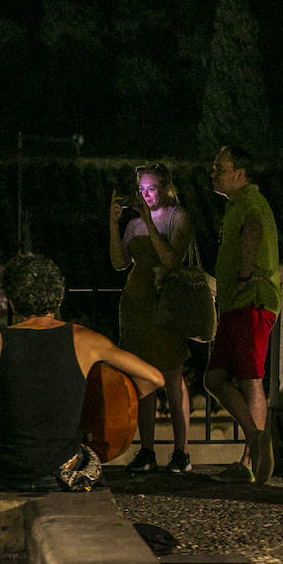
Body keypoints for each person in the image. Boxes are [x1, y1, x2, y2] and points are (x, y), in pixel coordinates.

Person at [0, 253, 164, 492]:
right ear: (60, 297)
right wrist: (108, 403)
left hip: (6, 474)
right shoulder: (86, 341)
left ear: (12, 300)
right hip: (61, 472)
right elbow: (154, 378)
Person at [109, 162, 194, 474]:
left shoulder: (178, 217)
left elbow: (172, 259)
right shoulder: (134, 224)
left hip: (166, 304)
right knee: (143, 377)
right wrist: (115, 222)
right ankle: (146, 450)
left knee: (172, 375)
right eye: (141, 189)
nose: (145, 194)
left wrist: (149, 221)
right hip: (136, 305)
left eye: (151, 188)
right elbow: (119, 262)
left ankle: (181, 452)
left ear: (165, 187)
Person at [206, 145, 281, 484]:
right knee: (214, 378)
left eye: (219, 168)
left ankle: (251, 460)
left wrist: (243, 277)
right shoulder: (239, 204)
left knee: (251, 378)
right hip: (237, 304)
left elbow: (253, 230)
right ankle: (255, 438)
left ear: (240, 174)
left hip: (250, 300)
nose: (213, 173)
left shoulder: (250, 203)